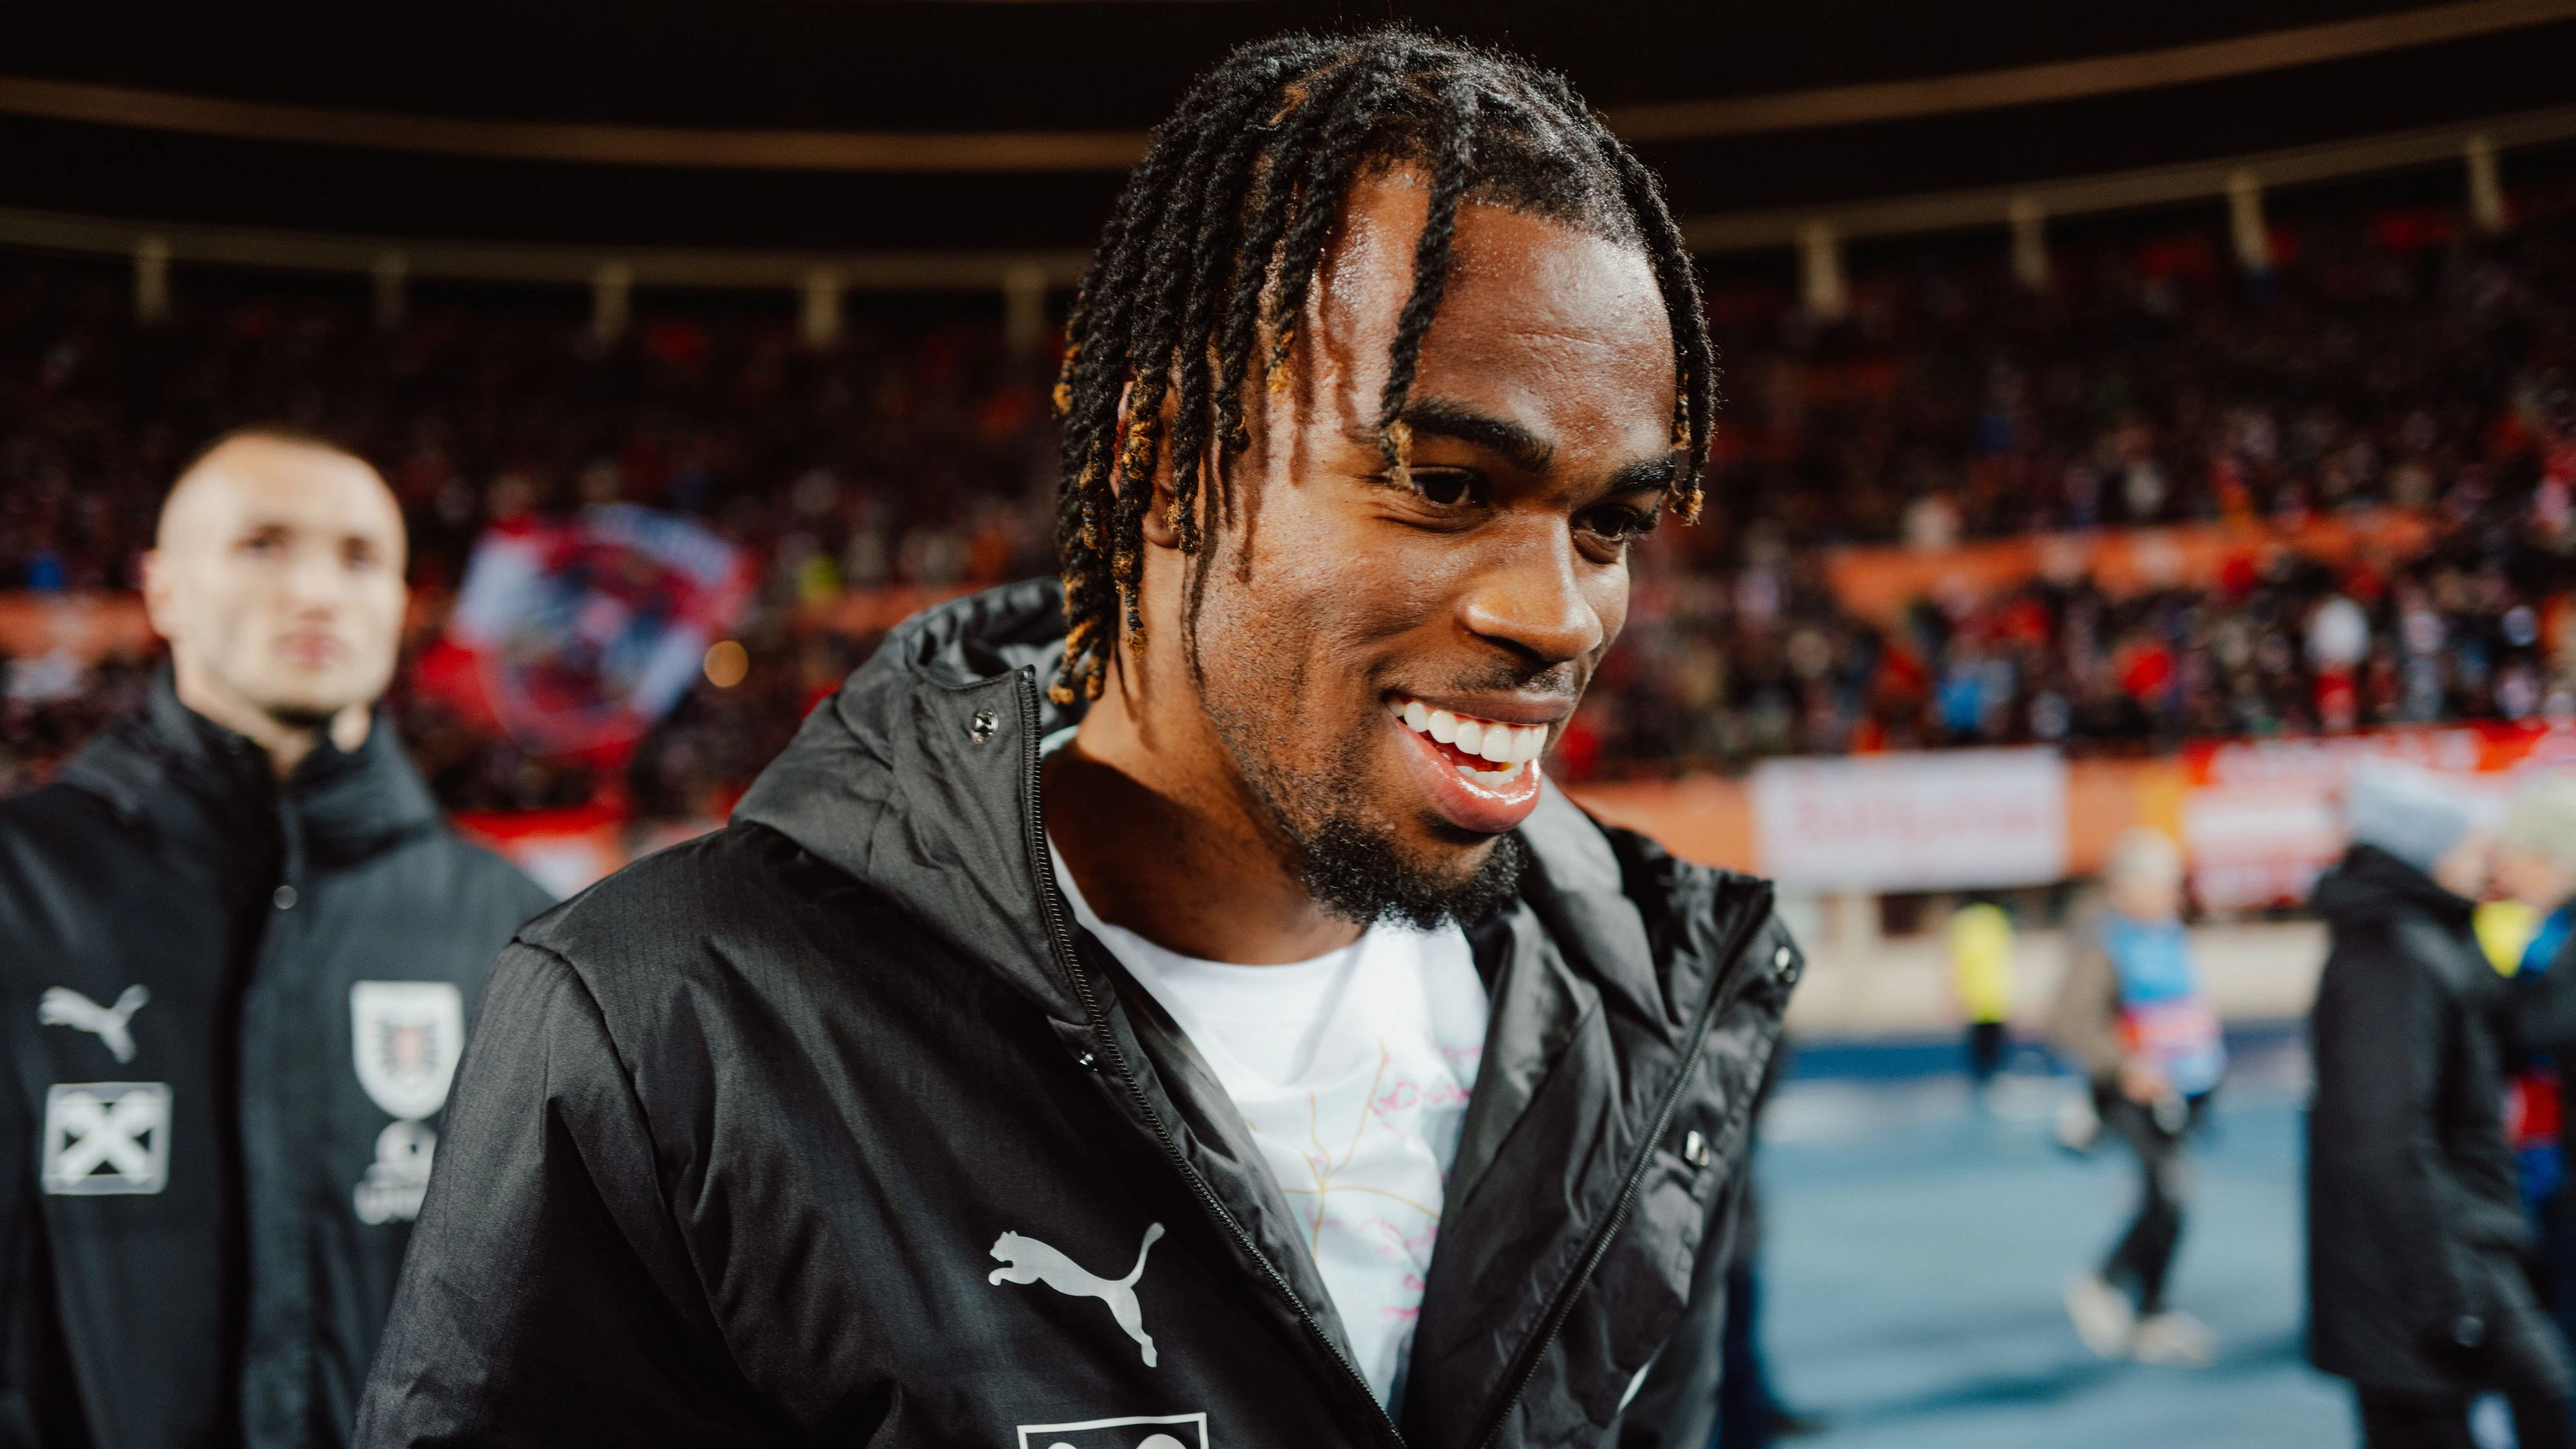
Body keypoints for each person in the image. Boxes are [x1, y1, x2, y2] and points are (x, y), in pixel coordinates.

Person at [357, 29, 1797, 1449]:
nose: (1558, 616)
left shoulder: (1644, 1006)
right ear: (1158, 461)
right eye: (1442, 482)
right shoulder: (672, 1027)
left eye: (1609, 522)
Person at [0, 430, 553, 1448]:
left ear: (398, 605)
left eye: (358, 559)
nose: (317, 591)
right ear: (162, 591)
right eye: (262, 545)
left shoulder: (513, 926)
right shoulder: (22, 888)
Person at [2309, 766, 2575, 1448]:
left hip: (2449, 1249)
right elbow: (2382, 1141)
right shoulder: (2393, 956)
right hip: (2428, 1266)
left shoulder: (2427, 938)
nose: (2485, 859)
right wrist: (2445, 1290)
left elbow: (2511, 1026)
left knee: (2543, 1397)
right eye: (2468, 844)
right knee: (2532, 1399)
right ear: (2425, 853)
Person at [2049, 829, 2225, 1367]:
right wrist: (2125, 1067)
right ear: (2127, 886)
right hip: (2137, 1092)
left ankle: (2151, 1310)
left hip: (2181, 1089)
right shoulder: (2106, 939)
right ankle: (2105, 1284)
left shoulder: (2167, 932)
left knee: (2171, 1200)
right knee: (2166, 1196)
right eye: (2161, 885)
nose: (2172, 896)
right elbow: (2071, 1020)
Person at [2493, 775, 2576, 1358]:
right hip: (2547, 1154)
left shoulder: (2560, 940)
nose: (2506, 874)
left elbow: (2533, 1029)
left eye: (2520, 858)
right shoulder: (2546, 931)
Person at [1948, 897, 2016, 1093]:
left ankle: (1984, 1086)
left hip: (1978, 1000)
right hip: (1992, 999)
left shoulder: (1964, 922)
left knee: (1982, 1059)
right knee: (1992, 1057)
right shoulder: (1996, 920)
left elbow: (1956, 964)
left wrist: (1953, 997)